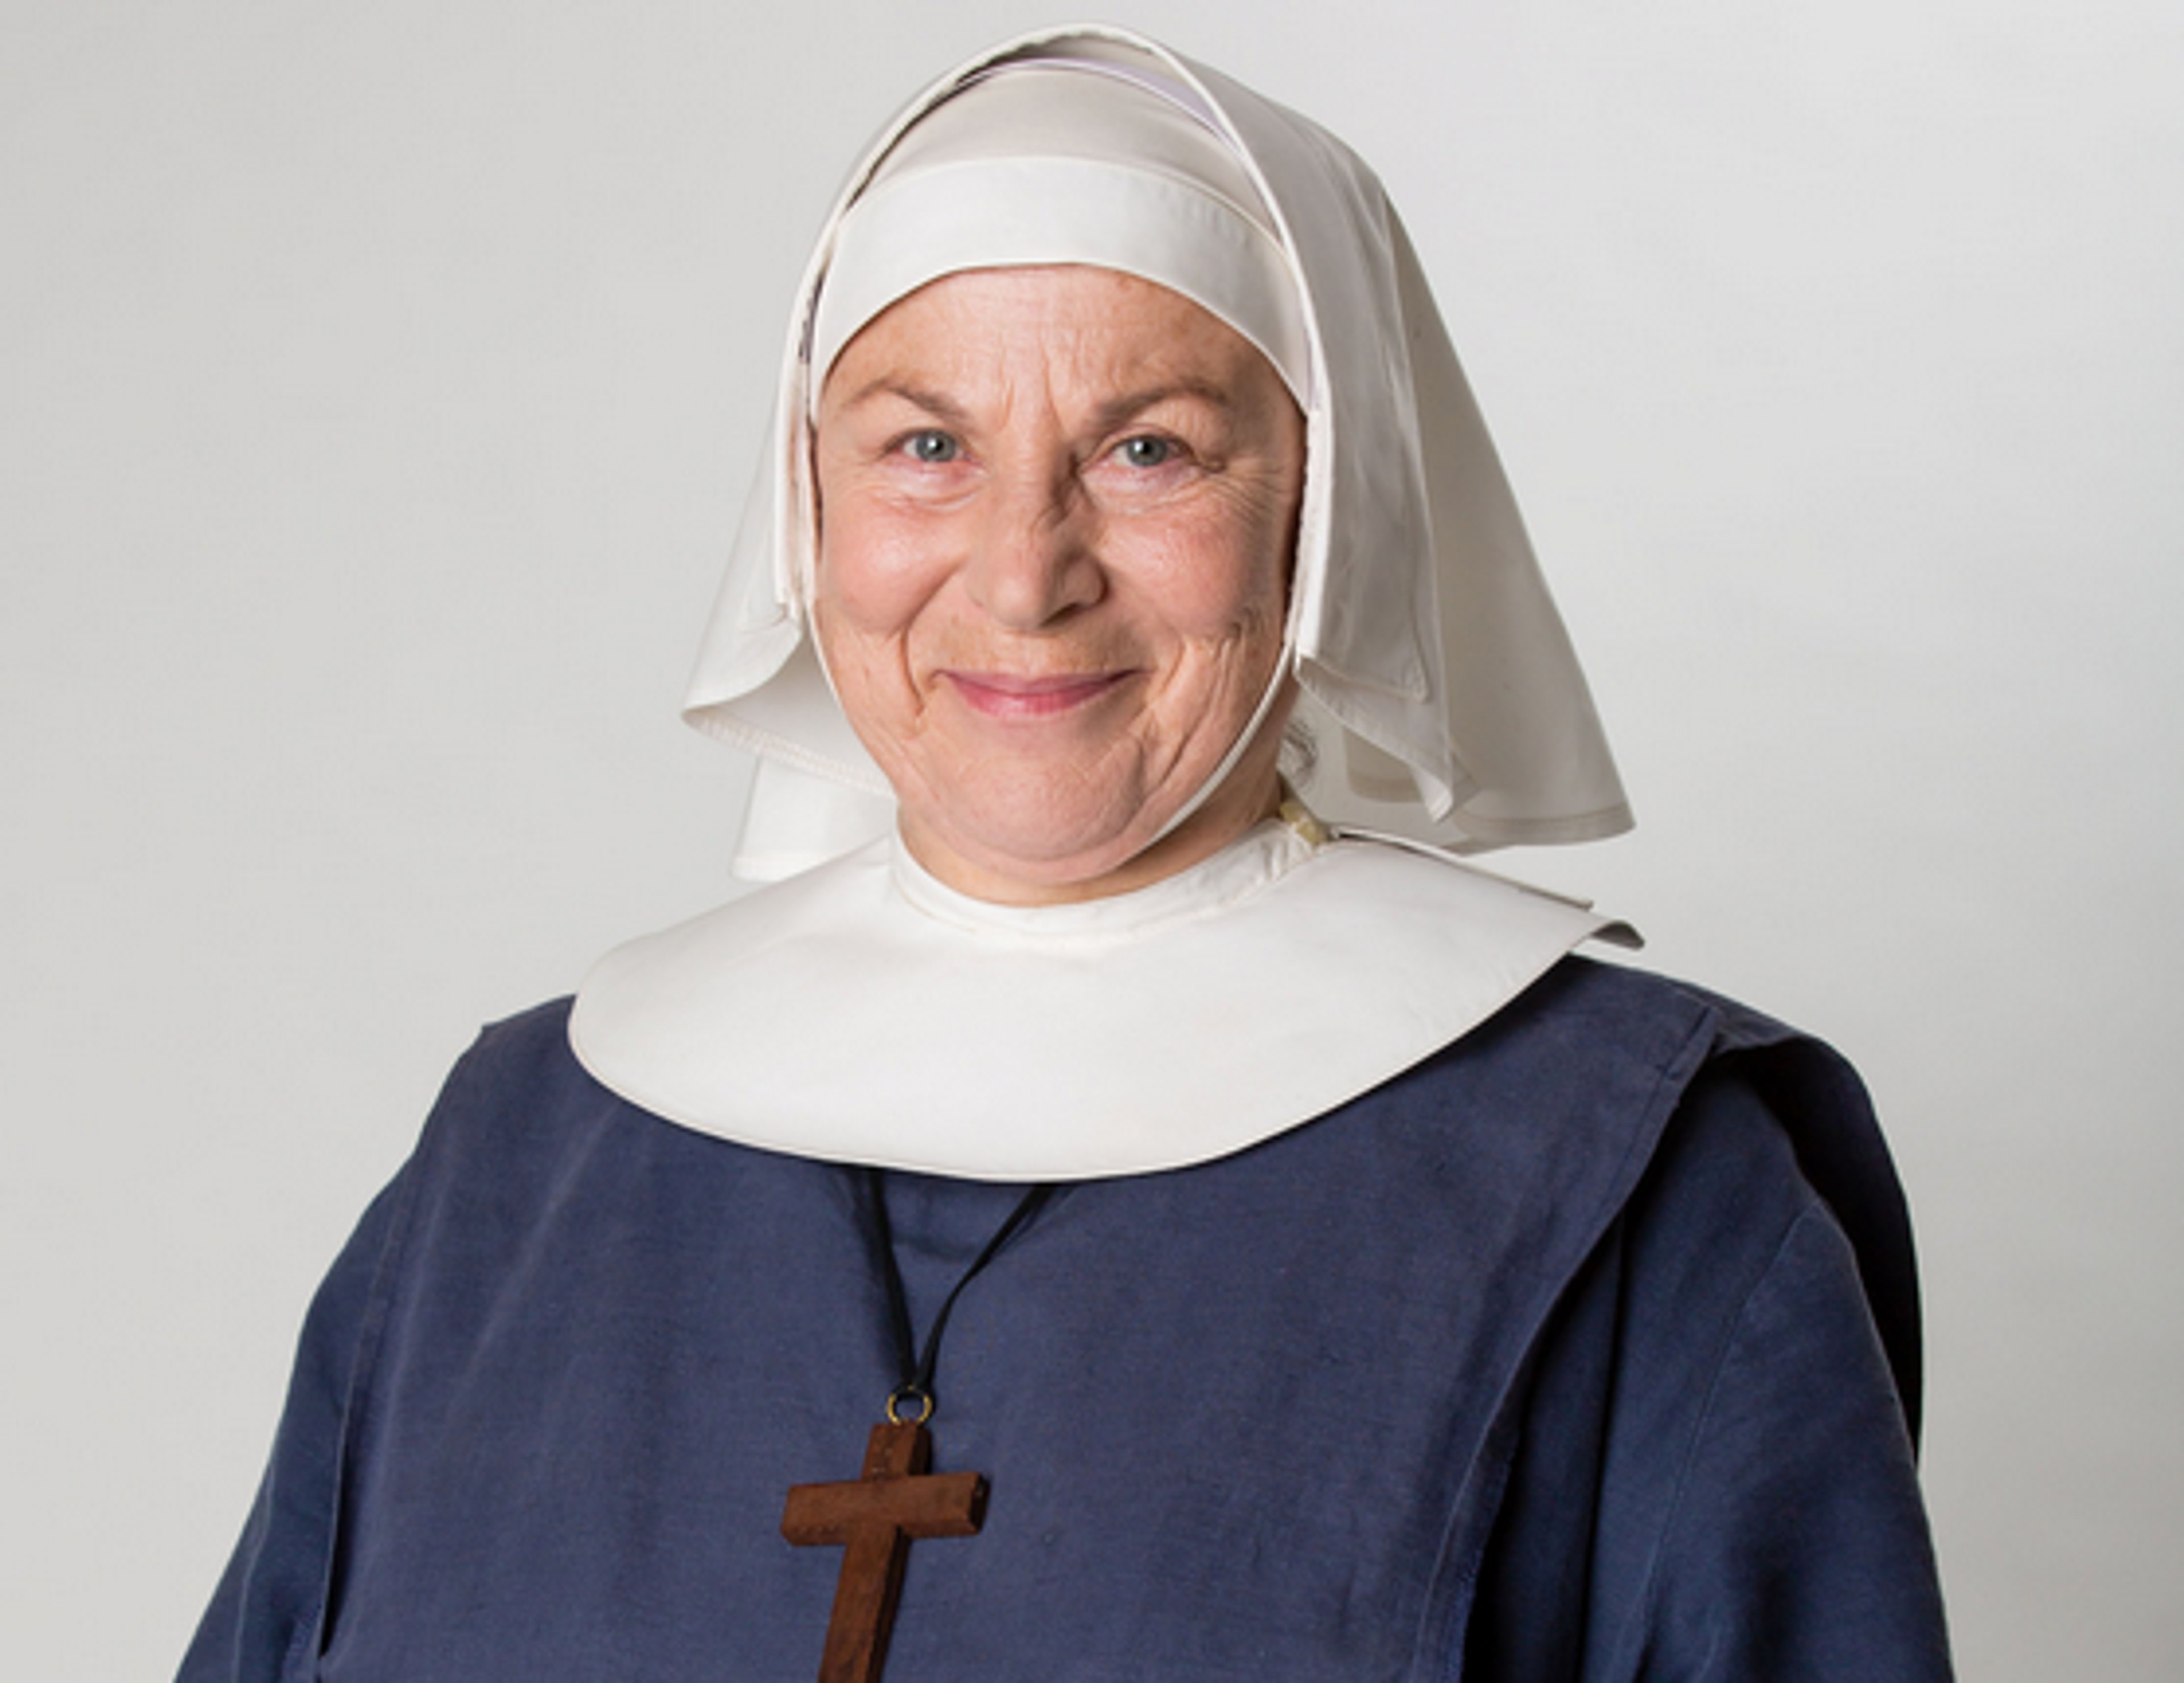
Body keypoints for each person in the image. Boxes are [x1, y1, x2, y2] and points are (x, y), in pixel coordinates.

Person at [180, 25, 1952, 1682]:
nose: (1026, 575)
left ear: (1326, 518)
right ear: (808, 512)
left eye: (1152, 449)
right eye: (927, 446)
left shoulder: (1647, 1187)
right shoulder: (512, 1167)